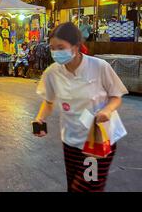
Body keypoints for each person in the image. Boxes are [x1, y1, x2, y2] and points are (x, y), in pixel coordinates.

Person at [33, 22, 128, 192]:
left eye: (60, 47)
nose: (55, 52)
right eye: (52, 48)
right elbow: (48, 102)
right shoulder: (52, 72)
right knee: (73, 186)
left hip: (98, 139)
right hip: (71, 141)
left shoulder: (99, 67)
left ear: (76, 47)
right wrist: (40, 118)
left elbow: (116, 96)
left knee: (86, 188)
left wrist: (107, 110)